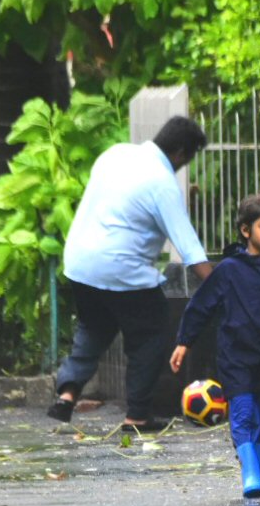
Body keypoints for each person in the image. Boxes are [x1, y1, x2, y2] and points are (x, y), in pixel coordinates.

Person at [48, 116, 212, 432]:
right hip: (121, 269)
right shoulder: (162, 182)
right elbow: (191, 250)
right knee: (149, 334)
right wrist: (225, 284)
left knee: (93, 328)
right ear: (180, 152)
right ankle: (137, 415)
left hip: (80, 263)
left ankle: (67, 394)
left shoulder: (116, 154)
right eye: (188, 158)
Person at [170, 193, 260, 498]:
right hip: (236, 358)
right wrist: (184, 341)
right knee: (243, 414)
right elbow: (201, 305)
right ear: (246, 230)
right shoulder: (229, 270)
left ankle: (256, 472)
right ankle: (250, 474)